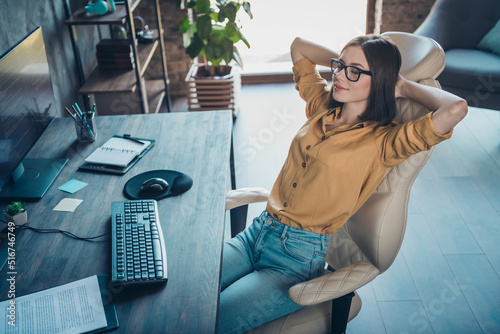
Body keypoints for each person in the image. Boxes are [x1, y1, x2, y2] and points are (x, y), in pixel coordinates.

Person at [218, 34, 468, 334]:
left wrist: (400, 85)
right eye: (339, 67)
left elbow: (456, 109)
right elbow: (299, 46)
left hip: (293, 259)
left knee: (207, 320)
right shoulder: (323, 106)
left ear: (381, 82)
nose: (337, 76)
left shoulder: (385, 142)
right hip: (257, 233)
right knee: (187, 290)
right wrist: (354, 63)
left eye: (354, 72)